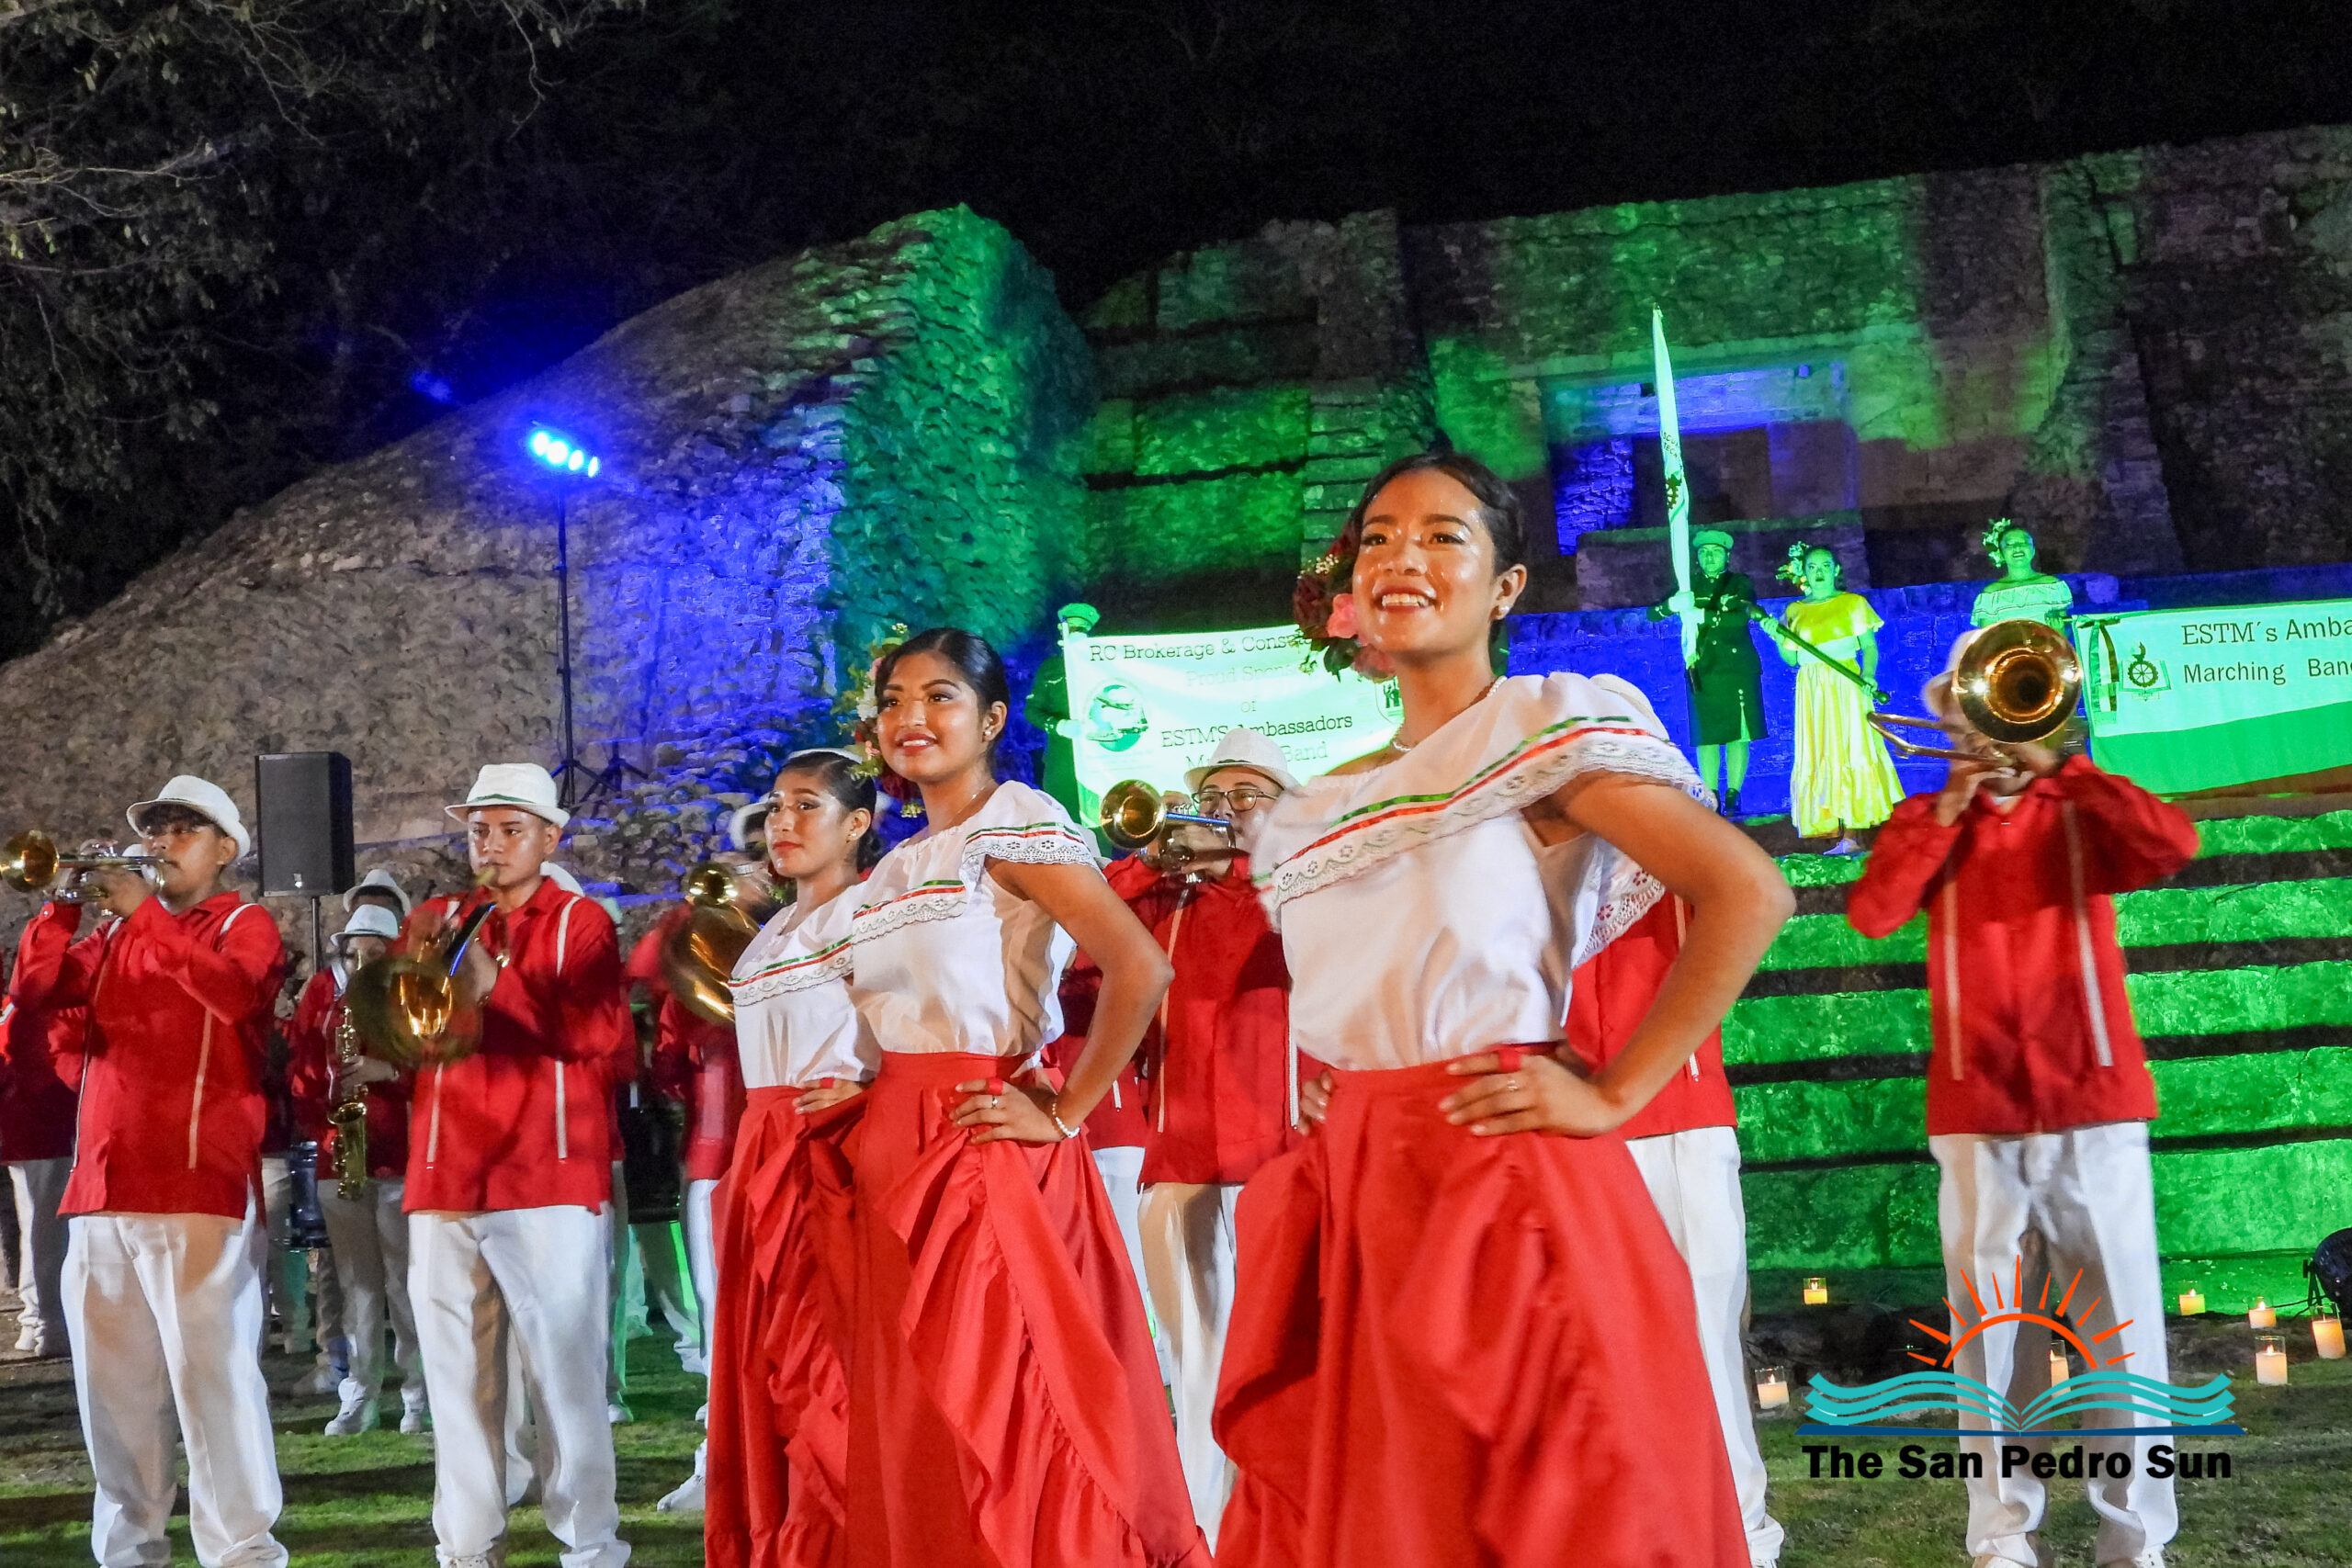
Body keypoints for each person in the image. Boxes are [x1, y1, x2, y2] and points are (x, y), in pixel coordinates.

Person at [1220, 451, 1792, 1568]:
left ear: (1505, 587)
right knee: (1400, 1517)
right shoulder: (1323, 802)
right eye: (1379, 537)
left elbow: (1746, 890)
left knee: (1547, 1515)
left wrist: (1616, 1092)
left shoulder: (1539, 731)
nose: (1403, 556)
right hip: (1361, 1195)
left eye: (1444, 536)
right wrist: (1336, 1084)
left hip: (1501, 1185)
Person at [843, 626, 1208, 1568]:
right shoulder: (893, 867)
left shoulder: (1012, 824)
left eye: (939, 697)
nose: (911, 717)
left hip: (981, 1140)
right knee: (925, 1398)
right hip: (899, 1147)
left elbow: (1140, 965)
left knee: (1014, 1393)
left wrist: (1064, 1108)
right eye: (894, 700)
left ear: (992, 718)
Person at [1848, 630, 2198, 1568]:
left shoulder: (2080, 808)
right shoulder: (1929, 818)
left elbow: (2172, 842)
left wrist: (2064, 768)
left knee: (2122, 1334)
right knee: (1990, 1341)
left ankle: (2135, 1539)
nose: (1987, 731)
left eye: (2004, 708)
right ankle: (2002, 1536)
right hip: (1978, 1112)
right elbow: (1874, 911)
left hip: (2094, 1103)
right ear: (1953, 720)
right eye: (1973, 712)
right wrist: (1946, 808)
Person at [13, 775, 291, 1568]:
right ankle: (129, 1552)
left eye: (183, 829)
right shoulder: (111, 935)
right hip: (104, 1188)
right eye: (155, 828)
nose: (161, 841)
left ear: (225, 850)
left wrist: (143, 915)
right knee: (114, 1397)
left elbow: (235, 996)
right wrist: (60, 906)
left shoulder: (244, 922)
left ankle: (244, 1553)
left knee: (215, 1386)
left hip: (198, 1184)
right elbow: (35, 990)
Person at [401, 762, 634, 1568]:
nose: (491, 844)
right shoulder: (436, 918)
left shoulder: (580, 921)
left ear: (549, 838)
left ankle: (589, 1543)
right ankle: (467, 1544)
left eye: (510, 829)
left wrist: (495, 983)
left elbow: (596, 1037)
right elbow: (409, 1028)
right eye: (479, 830)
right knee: (456, 1379)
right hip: (445, 1172)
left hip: (545, 1172)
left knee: (564, 1374)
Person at [1094, 727, 1302, 1545]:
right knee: (1197, 1372)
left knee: (1290, 1370)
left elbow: (1298, 909)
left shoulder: (1294, 884)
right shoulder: (1163, 897)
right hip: (1178, 1166)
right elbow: (1089, 917)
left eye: (1245, 796)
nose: (1224, 810)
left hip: (1282, 1168)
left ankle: (1292, 1538)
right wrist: (1155, 857)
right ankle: (1209, 1541)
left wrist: (1241, 862)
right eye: (1213, 798)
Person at [1565, 895, 1781, 1568]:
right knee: (1580, 1353)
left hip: (1673, 1108)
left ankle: (1741, 1540)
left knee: (1703, 1347)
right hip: (1560, 1111)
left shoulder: (1664, 838)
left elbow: (1747, 896)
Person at [704, 748, 880, 1568]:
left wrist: (869, 1084)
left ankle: (844, 1541)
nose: (783, 822)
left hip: (828, 1157)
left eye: (807, 805)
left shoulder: (873, 912)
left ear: (857, 824)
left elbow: (912, 1022)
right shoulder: (770, 931)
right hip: (764, 1156)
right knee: (766, 1361)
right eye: (777, 806)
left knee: (824, 1368)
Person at [287, 900, 428, 1436]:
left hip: (397, 1158)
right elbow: (300, 1071)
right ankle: (360, 1394)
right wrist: (325, 1113)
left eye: (373, 953)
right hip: (341, 1157)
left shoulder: (412, 1002)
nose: (361, 963)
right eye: (353, 954)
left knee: (405, 1286)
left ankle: (417, 1396)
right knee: (357, 1288)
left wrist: (385, 1070)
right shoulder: (329, 1004)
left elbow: (436, 1069)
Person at [2, 913, 96, 1360]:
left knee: (38, 1227)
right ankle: (48, 1324)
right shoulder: (42, 1006)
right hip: (48, 1124)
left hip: (34, 1126)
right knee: (48, 1229)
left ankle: (38, 1322)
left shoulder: (18, 1005)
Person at [1771, 543, 1902, 852]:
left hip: (1846, 684)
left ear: (1836, 570)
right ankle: (1832, 828)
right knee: (1820, 749)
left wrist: (1868, 675)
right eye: (1812, 567)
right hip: (1812, 688)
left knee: (1848, 747)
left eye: (1825, 566)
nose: (1819, 572)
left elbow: (1868, 646)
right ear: (1804, 572)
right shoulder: (1795, 610)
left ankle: (1852, 834)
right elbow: (1792, 659)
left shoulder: (1852, 603)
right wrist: (1777, 635)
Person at [1651, 527, 1769, 815]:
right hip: (1702, 667)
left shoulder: (1739, 583)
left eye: (1716, 552)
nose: (1709, 557)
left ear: (1727, 556)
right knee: (1707, 734)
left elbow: (1741, 616)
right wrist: (1671, 605)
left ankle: (1734, 794)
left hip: (1737, 667)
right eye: (1704, 552)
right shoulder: (1688, 586)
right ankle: (1711, 793)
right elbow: (1652, 614)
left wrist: (1704, 615)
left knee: (1739, 732)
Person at [1970, 519, 2074, 629]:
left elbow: (2064, 633)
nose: (2017, 547)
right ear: (2001, 553)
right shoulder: (1990, 595)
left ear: (2033, 550)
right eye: (2010, 544)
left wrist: (2057, 627)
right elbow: (1988, 636)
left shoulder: (2052, 586)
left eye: (2024, 543)